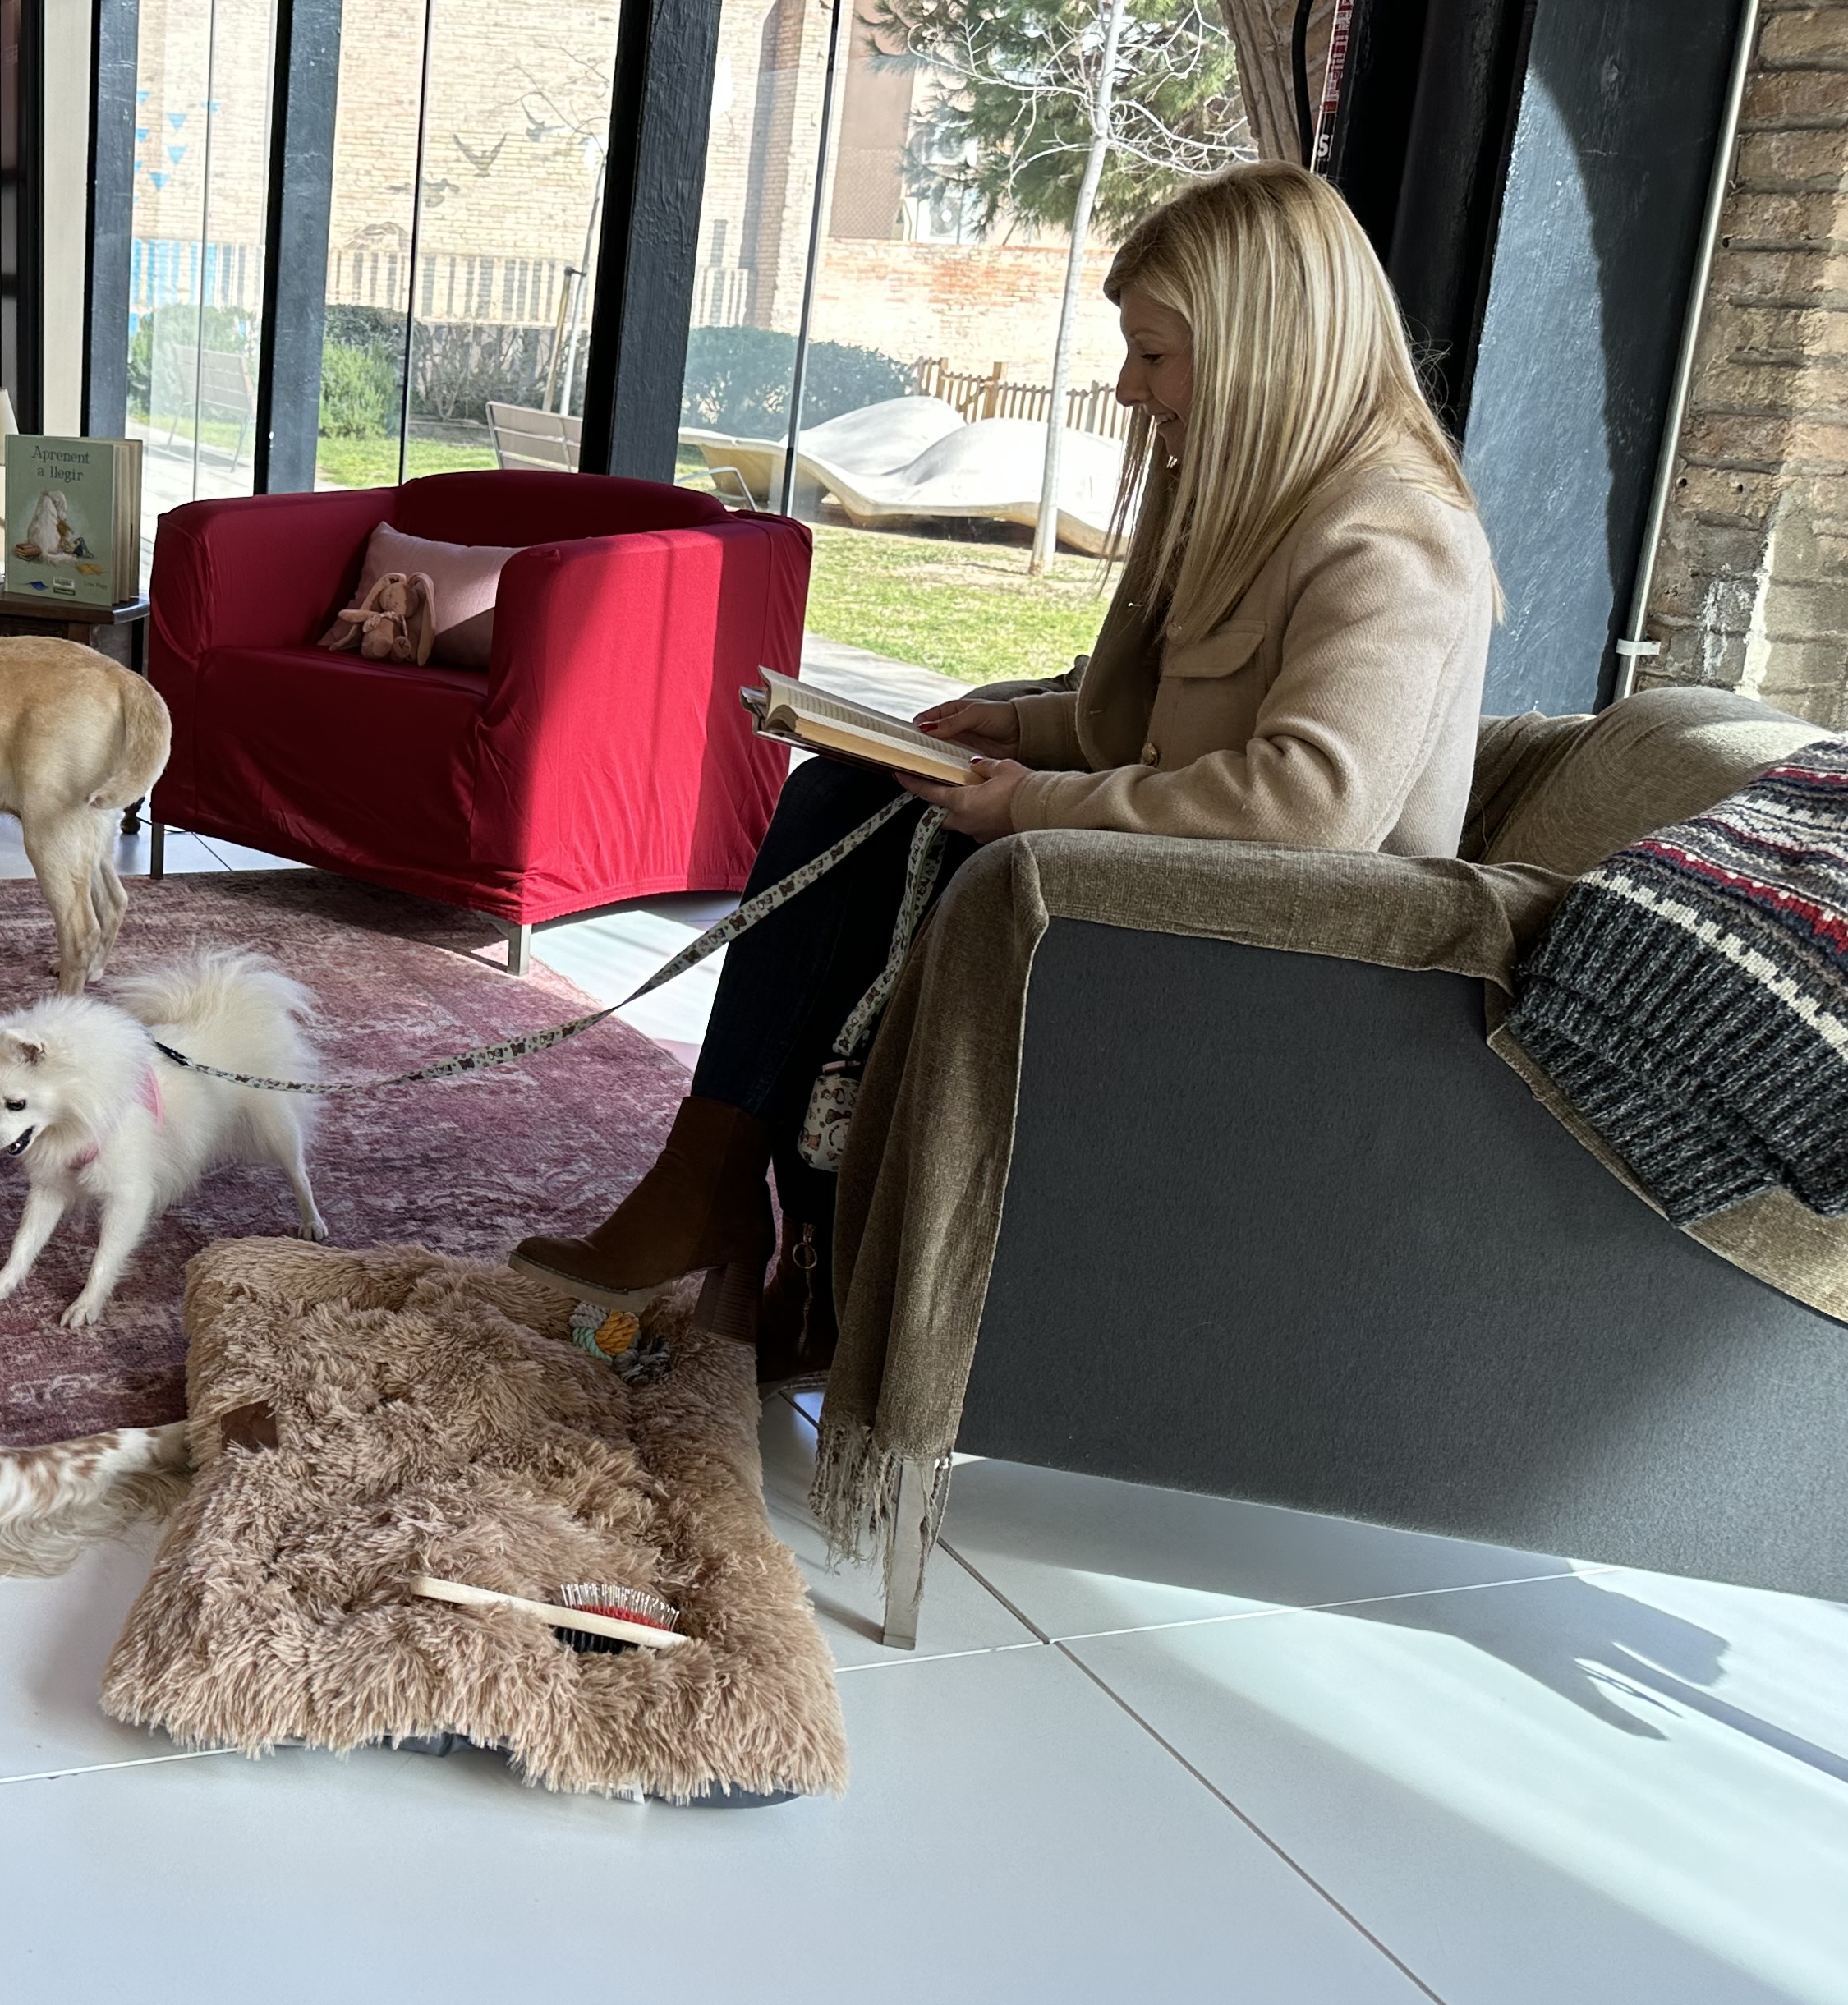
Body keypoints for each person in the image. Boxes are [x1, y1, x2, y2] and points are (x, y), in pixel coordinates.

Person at [513, 162, 1498, 1381]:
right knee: (844, 793)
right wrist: (1020, 728)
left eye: (1155, 356)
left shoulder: (1393, 532)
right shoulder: (1258, 498)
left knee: (903, 862)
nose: (1129, 389)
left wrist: (1028, 803)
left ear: (1263, 347)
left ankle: (766, 1233)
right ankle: (736, 1204)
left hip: (1279, 963)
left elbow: (1309, 806)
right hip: (1184, 892)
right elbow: (1161, 729)